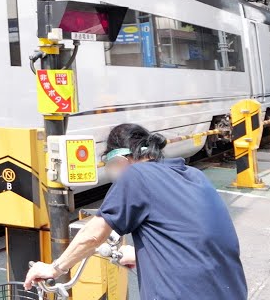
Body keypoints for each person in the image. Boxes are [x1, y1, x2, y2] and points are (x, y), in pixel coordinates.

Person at [25, 123, 247, 300]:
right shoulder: (193, 175)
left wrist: (55, 269)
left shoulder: (136, 175)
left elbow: (93, 235)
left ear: (121, 160)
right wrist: (143, 257)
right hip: (232, 290)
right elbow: (194, 236)